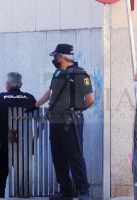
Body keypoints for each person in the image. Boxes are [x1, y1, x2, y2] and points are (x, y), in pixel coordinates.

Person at [23, 44, 94, 200]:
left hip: (71, 123)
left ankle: (83, 192)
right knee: (58, 158)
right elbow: (51, 92)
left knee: (75, 156)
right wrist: (35, 105)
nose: (54, 59)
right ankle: (65, 192)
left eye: (56, 56)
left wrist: (75, 109)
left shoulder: (79, 74)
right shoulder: (57, 73)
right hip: (55, 121)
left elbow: (90, 99)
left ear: (63, 56)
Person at [0, 72, 36, 198]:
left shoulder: (1, 98)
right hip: (23, 142)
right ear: (21, 84)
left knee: (1, 172)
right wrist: (34, 138)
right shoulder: (29, 98)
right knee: (22, 172)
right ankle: (23, 194)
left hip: (4, 142)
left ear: (7, 85)